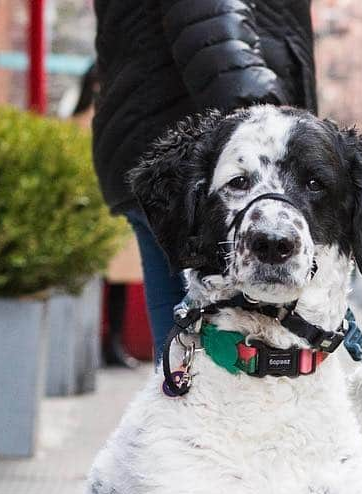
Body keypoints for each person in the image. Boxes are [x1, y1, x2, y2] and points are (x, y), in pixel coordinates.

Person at [91, 0, 318, 355]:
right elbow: (208, 18)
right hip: (210, 168)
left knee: (185, 362)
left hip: (173, 145)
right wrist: (271, 129)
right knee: (229, 368)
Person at [71, 63, 141, 368]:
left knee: (117, 285)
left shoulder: (118, 120)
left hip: (114, 213)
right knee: (92, 284)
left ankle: (113, 345)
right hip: (90, 211)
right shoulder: (80, 122)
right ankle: (94, 347)